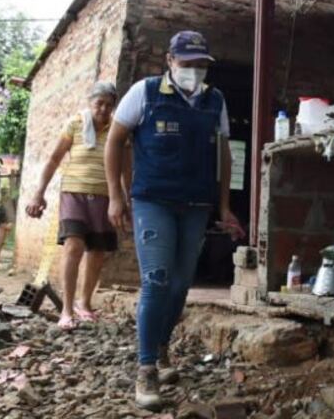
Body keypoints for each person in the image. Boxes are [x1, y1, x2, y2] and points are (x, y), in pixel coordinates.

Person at [104, 30, 245, 410]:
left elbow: (225, 155)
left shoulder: (214, 101)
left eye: (200, 65)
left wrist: (224, 206)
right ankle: (146, 367)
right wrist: (116, 195)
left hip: (196, 203)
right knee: (157, 279)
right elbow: (115, 140)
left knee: (182, 282)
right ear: (169, 60)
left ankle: (162, 348)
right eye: (186, 63)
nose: (194, 71)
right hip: (152, 200)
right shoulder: (145, 93)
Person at [26, 81, 120, 330]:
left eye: (108, 105)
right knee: (73, 246)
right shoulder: (75, 124)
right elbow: (55, 158)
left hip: (105, 196)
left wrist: (125, 198)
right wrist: (39, 193)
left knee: (97, 252)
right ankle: (66, 310)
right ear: (90, 103)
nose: (103, 109)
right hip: (74, 194)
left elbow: (127, 166)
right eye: (99, 103)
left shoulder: (118, 129)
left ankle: (84, 303)